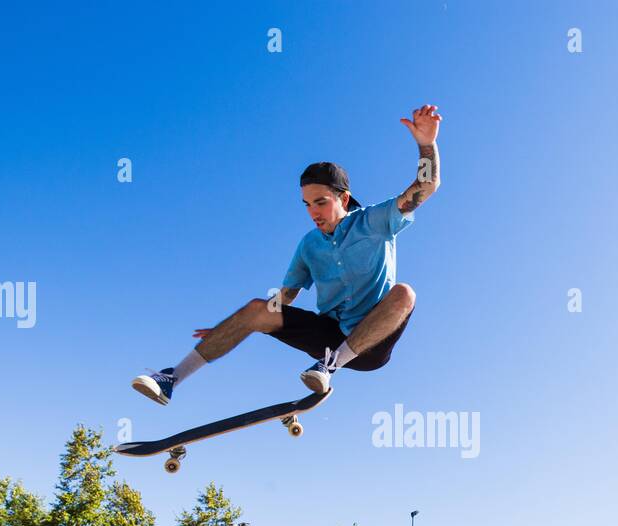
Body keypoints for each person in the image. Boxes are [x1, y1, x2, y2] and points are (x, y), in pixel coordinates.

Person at [132, 103, 442, 404]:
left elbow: (425, 187)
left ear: (343, 199)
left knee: (405, 293)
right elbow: (286, 296)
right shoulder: (309, 245)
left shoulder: (374, 222)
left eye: (320, 202)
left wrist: (427, 145)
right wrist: (237, 323)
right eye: (307, 205)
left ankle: (330, 367)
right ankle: (171, 379)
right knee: (257, 307)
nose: (313, 213)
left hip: (370, 343)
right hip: (328, 335)